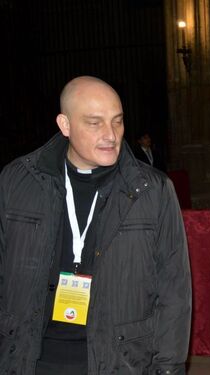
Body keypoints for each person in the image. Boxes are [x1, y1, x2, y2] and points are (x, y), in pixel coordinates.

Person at [0, 76, 191, 373]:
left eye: (117, 121)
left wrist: (168, 369)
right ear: (65, 125)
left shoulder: (152, 191)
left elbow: (174, 293)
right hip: (29, 360)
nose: (111, 135)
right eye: (94, 123)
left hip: (119, 362)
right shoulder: (17, 182)